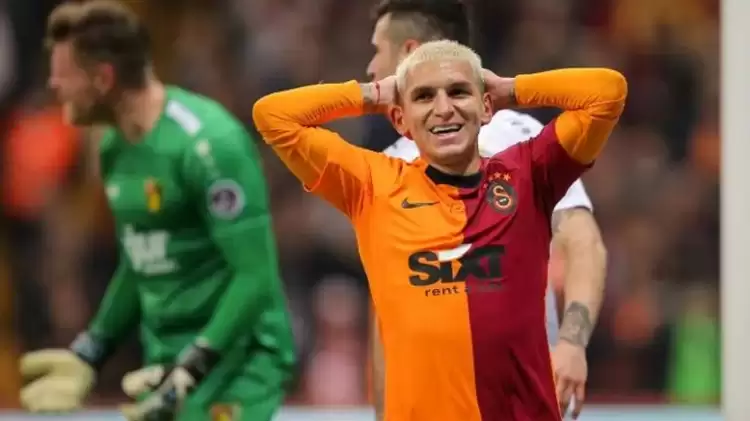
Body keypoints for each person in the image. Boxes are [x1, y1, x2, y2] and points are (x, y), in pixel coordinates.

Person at [253, 39, 626, 421]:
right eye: (424, 97)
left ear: (486, 107)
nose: (444, 108)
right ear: (400, 120)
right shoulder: (372, 185)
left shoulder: (529, 173)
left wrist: (510, 89)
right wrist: (376, 93)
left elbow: (608, 92)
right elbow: (272, 115)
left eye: (459, 92)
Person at [18, 2, 296, 420]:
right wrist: (90, 351)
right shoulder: (114, 148)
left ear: (103, 78)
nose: (53, 85)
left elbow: (255, 276)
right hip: (165, 363)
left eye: (64, 74)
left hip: (238, 367)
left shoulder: (208, 145)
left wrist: (194, 364)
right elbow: (139, 260)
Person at [364, 1, 607, 418]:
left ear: (408, 51)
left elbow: (584, 243)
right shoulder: (386, 166)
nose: (370, 68)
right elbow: (386, 315)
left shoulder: (518, 141)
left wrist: (572, 342)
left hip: (520, 401)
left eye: (377, 50)